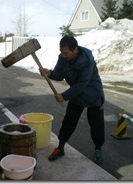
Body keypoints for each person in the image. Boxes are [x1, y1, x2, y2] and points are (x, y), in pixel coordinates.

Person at [39, 35, 105, 164]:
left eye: (66, 53)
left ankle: (98, 148)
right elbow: (59, 74)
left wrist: (64, 96)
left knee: (96, 124)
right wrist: (50, 73)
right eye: (62, 52)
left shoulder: (87, 61)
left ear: (75, 50)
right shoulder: (63, 58)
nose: (64, 56)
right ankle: (60, 147)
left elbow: (82, 83)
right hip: (77, 94)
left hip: (93, 94)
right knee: (69, 121)